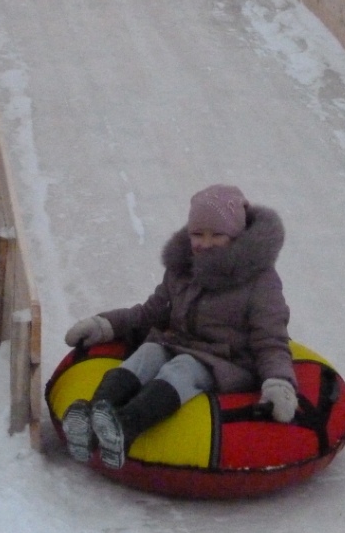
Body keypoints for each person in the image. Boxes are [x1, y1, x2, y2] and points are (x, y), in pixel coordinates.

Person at [62, 184, 298, 469]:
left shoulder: (259, 281)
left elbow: (270, 339)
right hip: (178, 343)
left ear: (236, 237)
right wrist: (105, 325)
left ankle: (124, 429)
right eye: (198, 234)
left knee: (183, 366)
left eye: (217, 235)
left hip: (226, 361)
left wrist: (279, 382)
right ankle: (91, 418)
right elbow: (151, 312)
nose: (205, 243)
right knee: (148, 352)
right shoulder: (183, 269)